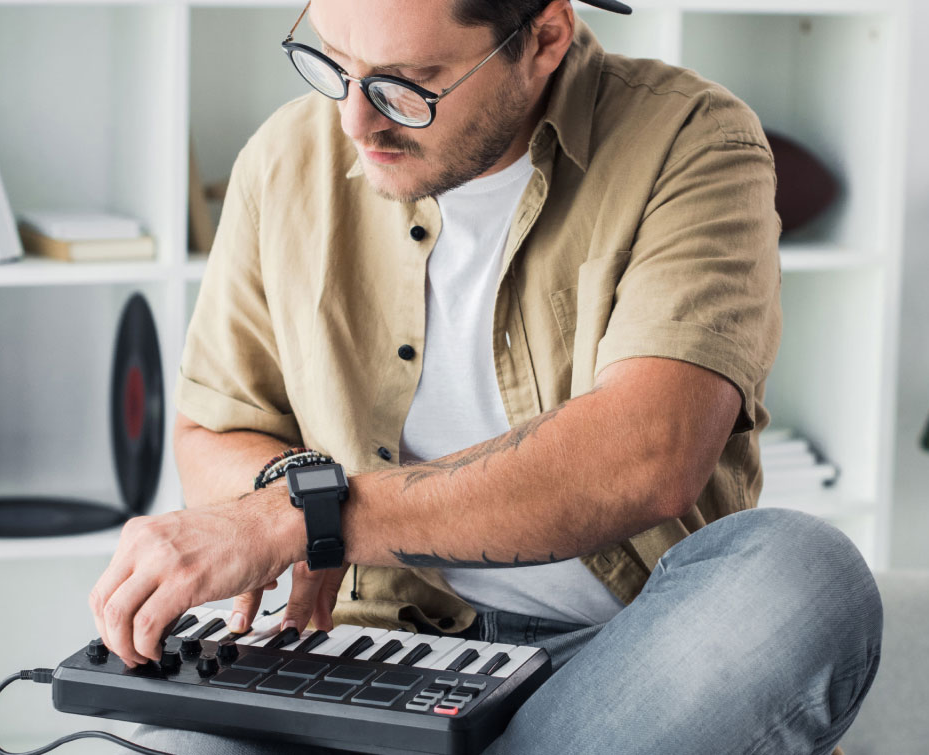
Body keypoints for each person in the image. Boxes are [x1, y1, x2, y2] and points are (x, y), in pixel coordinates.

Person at [88, 0, 882, 752]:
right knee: (166, 738)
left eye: (408, 85)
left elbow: (649, 452)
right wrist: (282, 494)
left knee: (799, 576)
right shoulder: (282, 160)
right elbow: (213, 426)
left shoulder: (693, 142)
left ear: (544, 39)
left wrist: (311, 517)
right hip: (365, 652)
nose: (355, 120)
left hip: (619, 666)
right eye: (334, 62)